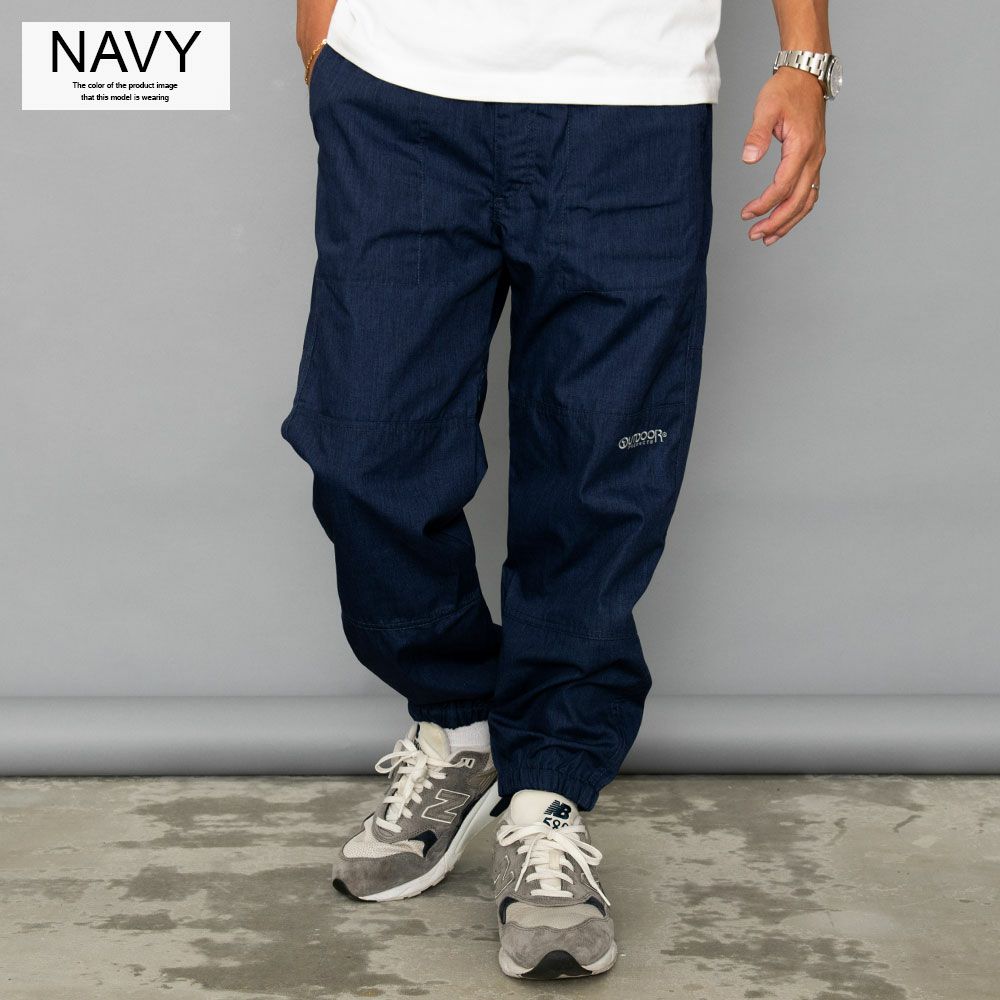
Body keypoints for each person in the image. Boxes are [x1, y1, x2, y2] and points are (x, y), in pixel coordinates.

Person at [285, 0, 837, 980]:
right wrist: (320, 25)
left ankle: (547, 791)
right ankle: (459, 720)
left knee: (601, 471)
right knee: (364, 449)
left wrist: (806, 55)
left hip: (633, 101)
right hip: (402, 86)